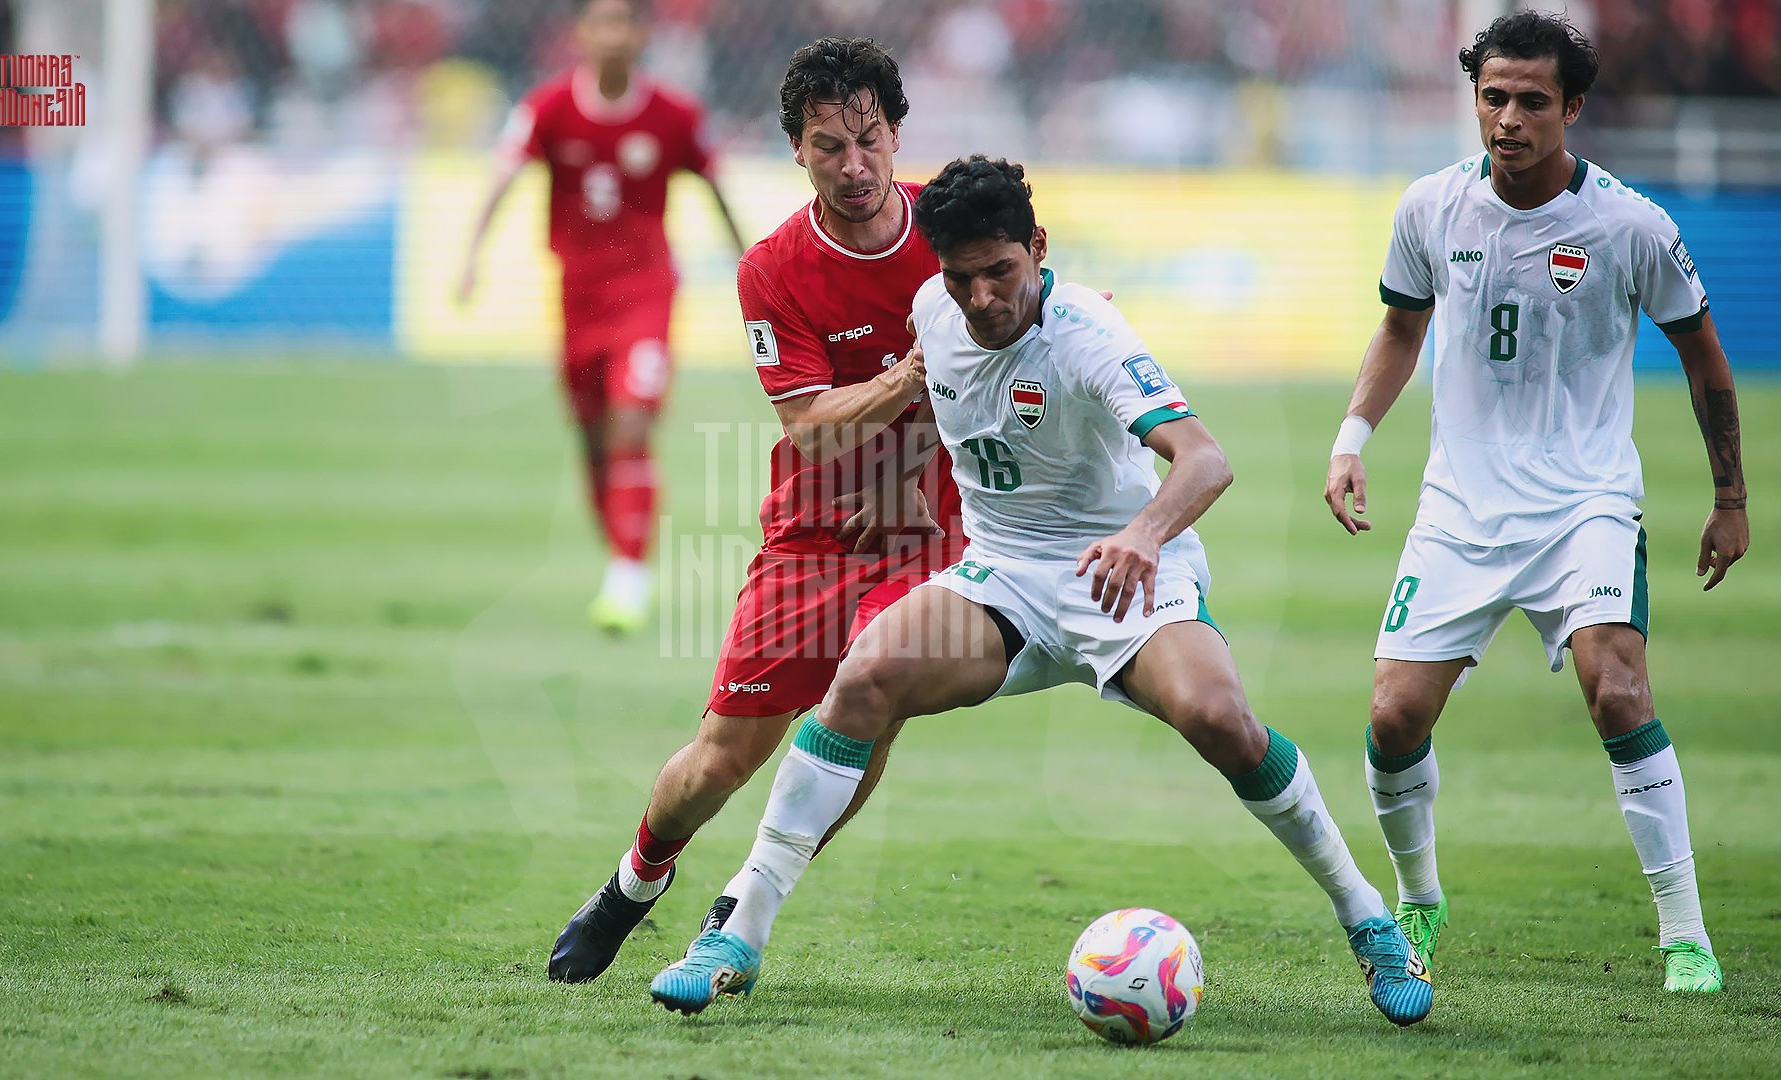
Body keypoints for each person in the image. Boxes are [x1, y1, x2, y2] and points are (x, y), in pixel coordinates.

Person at [650, 156, 1434, 1028]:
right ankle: (738, 934)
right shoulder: (933, 311)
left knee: (1220, 720)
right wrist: (902, 482)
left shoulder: (1088, 334)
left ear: (1039, 248)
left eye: (1001, 272)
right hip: (1006, 575)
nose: (982, 298)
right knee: (864, 679)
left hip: (1124, 572)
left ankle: (1369, 919)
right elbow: (942, 399)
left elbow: (1205, 459)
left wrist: (1143, 534)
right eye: (962, 277)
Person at [1322, 11, 1747, 994]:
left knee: (1618, 690)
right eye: (1493, 98)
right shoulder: (1431, 207)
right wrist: (1351, 440)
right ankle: (1419, 900)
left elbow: (1704, 356)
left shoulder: (1631, 226)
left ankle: (1685, 935)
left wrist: (1729, 496)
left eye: (1531, 101)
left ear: (1573, 107)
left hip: (1584, 502)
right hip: (1460, 509)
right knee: (1392, 718)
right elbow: (1400, 328)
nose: (1508, 119)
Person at [546, 37, 966, 984]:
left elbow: (1015, 339)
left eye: (868, 139)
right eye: (829, 146)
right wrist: (909, 380)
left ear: (897, 134)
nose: (853, 165)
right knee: (722, 758)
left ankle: (746, 900)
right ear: (797, 151)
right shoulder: (773, 268)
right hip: (814, 529)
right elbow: (809, 427)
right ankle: (634, 881)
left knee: (873, 696)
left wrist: (919, 462)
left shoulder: (953, 230)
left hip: (926, 530)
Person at [457, 0, 745, 633]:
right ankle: (621, 556)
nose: (613, 35)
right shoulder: (547, 108)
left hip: (646, 295)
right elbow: (503, 176)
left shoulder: (674, 115)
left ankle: (628, 577)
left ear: (643, 35)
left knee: (631, 425)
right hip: (577, 299)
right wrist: (472, 257)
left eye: (625, 23)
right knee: (592, 439)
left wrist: (749, 267)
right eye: (602, 22)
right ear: (580, 33)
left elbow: (715, 187)